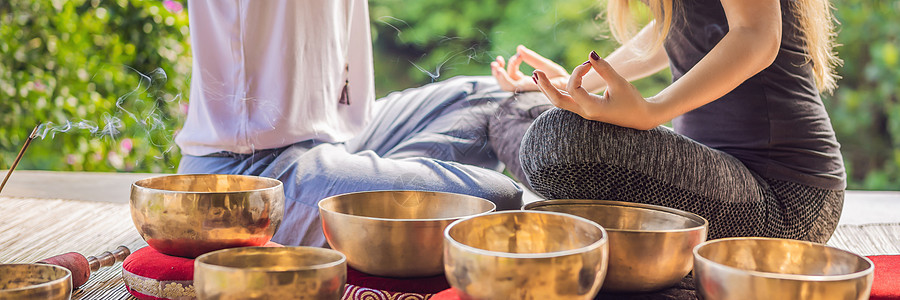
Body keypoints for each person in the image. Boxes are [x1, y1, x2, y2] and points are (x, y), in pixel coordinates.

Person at [175, 0, 537, 247]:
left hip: (342, 136)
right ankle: (378, 214)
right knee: (491, 202)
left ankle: (375, 210)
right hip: (249, 174)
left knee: (496, 99)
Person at [492, 0, 845, 243]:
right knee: (514, 115)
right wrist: (577, 82)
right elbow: (675, 28)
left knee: (556, 139)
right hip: (709, 177)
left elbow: (757, 34)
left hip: (787, 196)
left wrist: (653, 110)